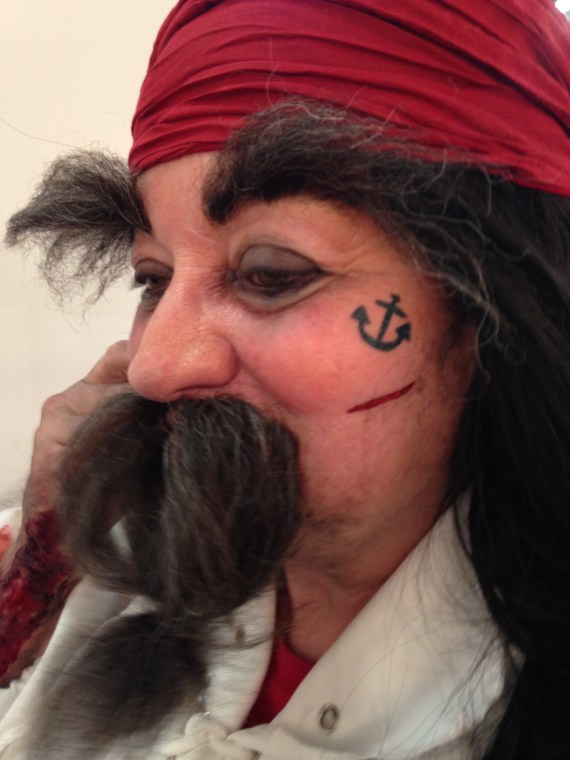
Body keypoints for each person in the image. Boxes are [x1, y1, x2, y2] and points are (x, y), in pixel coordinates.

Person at [0, 1, 569, 758]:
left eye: (270, 274)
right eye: (154, 280)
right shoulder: (113, 548)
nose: (155, 367)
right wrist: (44, 555)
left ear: (491, 311)